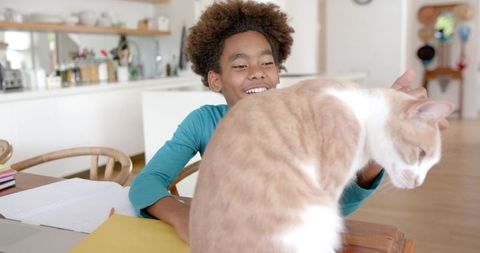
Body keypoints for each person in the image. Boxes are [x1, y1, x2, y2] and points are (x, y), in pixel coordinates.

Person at [129, 0, 436, 243]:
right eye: (239, 65)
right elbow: (146, 182)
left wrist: (380, 149)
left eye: (267, 62)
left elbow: (335, 206)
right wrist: (182, 217)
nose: (257, 72)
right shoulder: (202, 122)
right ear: (215, 80)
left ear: (277, 72)